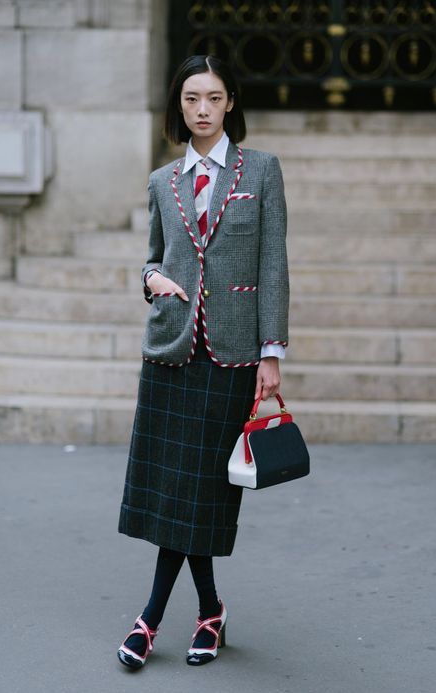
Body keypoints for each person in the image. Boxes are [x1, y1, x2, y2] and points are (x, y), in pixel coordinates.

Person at [117, 54, 289, 669]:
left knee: (200, 492)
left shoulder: (262, 171)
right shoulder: (164, 181)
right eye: (192, 99)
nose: (202, 110)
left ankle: (150, 618)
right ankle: (208, 611)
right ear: (179, 106)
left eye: (213, 98)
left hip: (232, 355)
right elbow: (152, 258)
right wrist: (154, 280)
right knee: (175, 490)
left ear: (231, 103)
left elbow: (273, 267)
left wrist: (272, 353)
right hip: (171, 353)